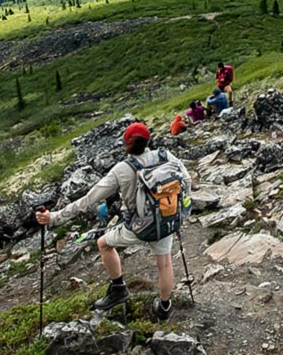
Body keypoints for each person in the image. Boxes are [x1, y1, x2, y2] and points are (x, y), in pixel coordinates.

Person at [35, 122, 192, 322]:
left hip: (139, 226)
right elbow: (186, 181)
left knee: (104, 243)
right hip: (167, 218)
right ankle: (164, 307)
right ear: (148, 140)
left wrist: (55, 217)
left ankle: (118, 288)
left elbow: (88, 200)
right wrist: (179, 209)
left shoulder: (122, 169)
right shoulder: (165, 156)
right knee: (164, 262)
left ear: (126, 143)